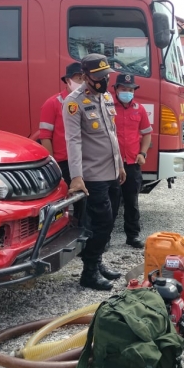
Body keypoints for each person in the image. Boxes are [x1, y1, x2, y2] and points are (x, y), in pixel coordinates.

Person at [63, 53, 126, 291]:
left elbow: (112, 134)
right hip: (92, 176)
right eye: (99, 76)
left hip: (111, 171)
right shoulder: (74, 102)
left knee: (109, 223)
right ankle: (88, 272)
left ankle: (97, 261)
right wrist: (76, 176)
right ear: (84, 76)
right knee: (101, 222)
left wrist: (119, 165)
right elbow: (73, 141)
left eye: (106, 75)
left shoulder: (106, 96)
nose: (104, 80)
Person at [39, 62, 85, 222]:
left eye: (84, 78)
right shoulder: (52, 103)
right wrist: (53, 167)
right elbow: (45, 137)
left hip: (83, 160)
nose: (82, 82)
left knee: (85, 203)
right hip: (63, 161)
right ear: (67, 81)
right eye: (78, 79)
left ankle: (84, 232)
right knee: (63, 201)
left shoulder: (87, 102)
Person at [112, 73, 152, 249]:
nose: (127, 92)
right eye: (123, 89)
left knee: (131, 202)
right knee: (110, 202)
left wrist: (143, 153)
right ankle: (104, 238)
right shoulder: (107, 107)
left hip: (132, 164)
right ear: (116, 89)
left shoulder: (139, 109)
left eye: (130, 89)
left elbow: (147, 134)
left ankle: (133, 236)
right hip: (110, 164)